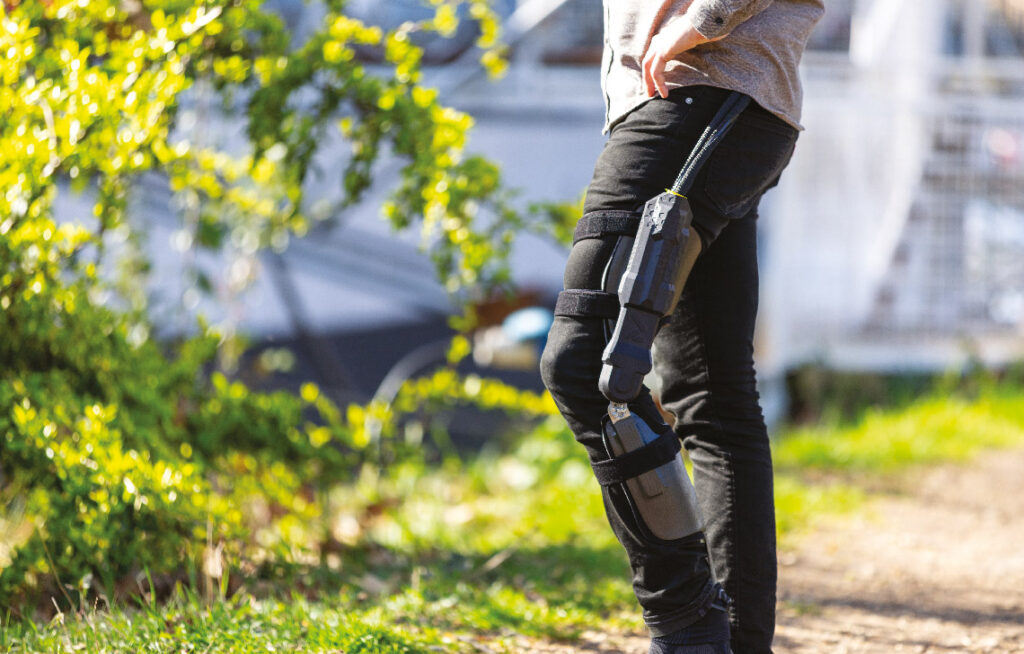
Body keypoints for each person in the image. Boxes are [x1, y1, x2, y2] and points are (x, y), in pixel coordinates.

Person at [539, 1, 824, 653]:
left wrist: (705, 19)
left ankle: (690, 626)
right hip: (710, 101)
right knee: (714, 398)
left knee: (586, 361)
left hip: (702, 86)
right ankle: (734, 642)